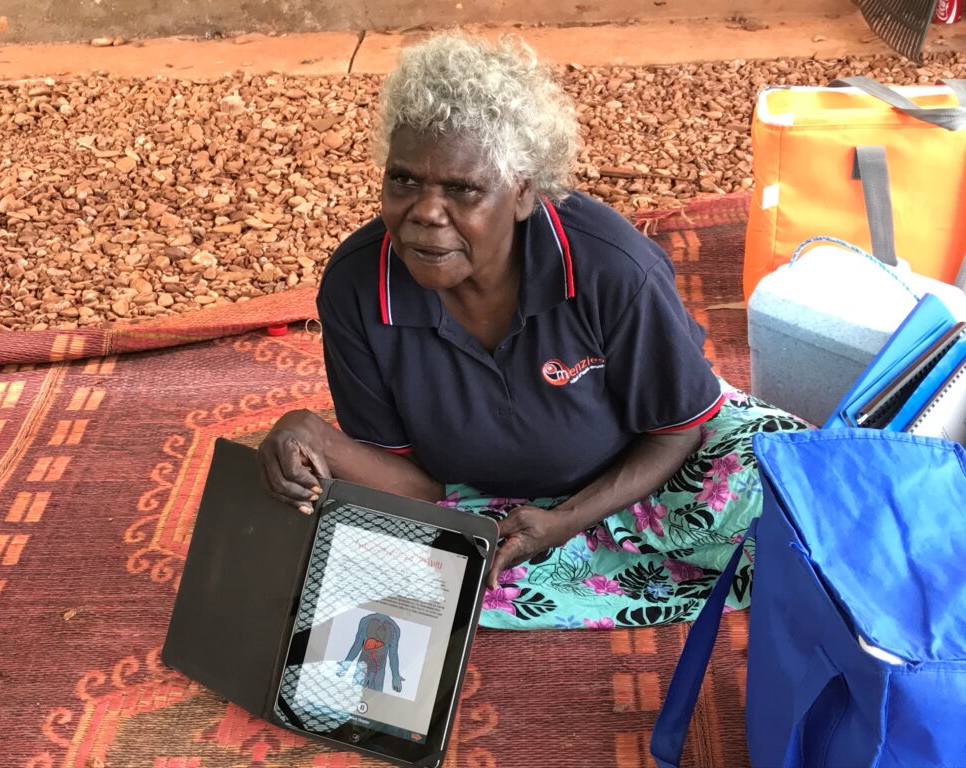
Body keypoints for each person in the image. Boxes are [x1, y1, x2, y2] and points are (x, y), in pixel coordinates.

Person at [257, 33, 807, 630]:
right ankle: (633, 571)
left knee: (804, 511)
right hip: (488, 504)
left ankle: (615, 560)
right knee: (403, 578)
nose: (425, 211)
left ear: (522, 193)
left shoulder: (611, 267)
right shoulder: (359, 287)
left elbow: (678, 431)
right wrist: (310, 434)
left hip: (650, 473)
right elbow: (414, 484)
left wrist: (568, 519)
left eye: (462, 190)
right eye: (404, 181)